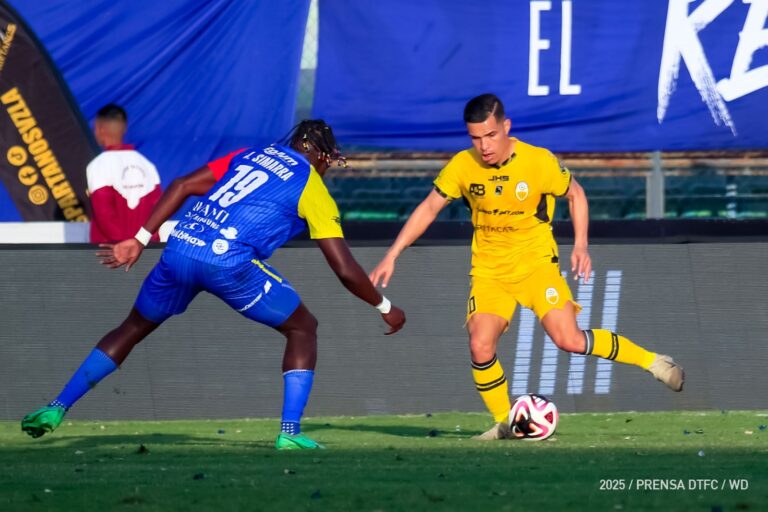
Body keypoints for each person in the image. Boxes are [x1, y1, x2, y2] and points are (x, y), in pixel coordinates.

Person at [22, 120, 406, 450]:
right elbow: (344, 268)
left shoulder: (249, 154)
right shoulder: (312, 186)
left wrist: (139, 238)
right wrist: (386, 307)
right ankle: (290, 432)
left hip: (180, 247)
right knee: (303, 328)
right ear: (321, 155)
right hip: (227, 261)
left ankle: (57, 405)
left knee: (133, 328)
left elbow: (183, 184)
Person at [369, 94, 683, 440]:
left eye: (490, 136)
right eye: (475, 138)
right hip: (490, 272)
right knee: (480, 345)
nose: (483, 146)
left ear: (506, 127)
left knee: (570, 340)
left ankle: (653, 361)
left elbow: (576, 194)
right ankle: (505, 421)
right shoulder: (462, 165)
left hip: (536, 265)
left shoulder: (537, 162)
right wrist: (393, 253)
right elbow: (429, 207)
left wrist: (581, 245)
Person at [87, 104, 162, 243]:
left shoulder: (98, 165)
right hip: (146, 251)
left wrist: (125, 247)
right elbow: (159, 211)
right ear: (124, 128)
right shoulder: (147, 165)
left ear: (99, 129)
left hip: (111, 255)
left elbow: (104, 215)